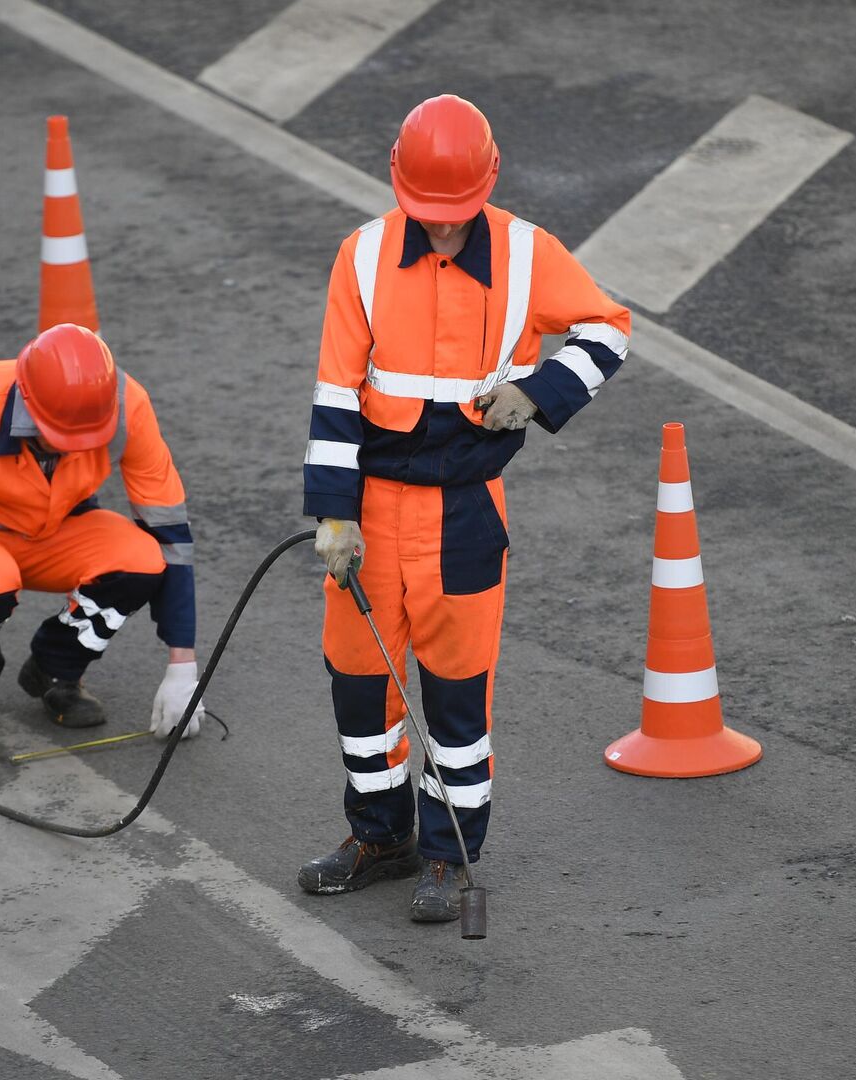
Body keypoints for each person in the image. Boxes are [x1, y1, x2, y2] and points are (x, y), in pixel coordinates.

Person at [300, 94, 632, 921]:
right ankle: (379, 837)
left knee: (456, 698)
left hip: (464, 514)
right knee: (358, 685)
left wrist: (541, 391)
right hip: (372, 510)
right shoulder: (364, 255)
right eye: (428, 217)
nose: (443, 231)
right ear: (398, 188)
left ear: (487, 188)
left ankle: (449, 855)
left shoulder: (526, 253)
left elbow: (610, 328)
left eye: (456, 218)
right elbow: (337, 393)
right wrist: (333, 514)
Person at [0, 323, 204, 742]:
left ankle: (55, 670)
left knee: (144, 560)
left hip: (60, 531)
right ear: (27, 404)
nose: (74, 449)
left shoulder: (128, 404)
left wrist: (183, 667)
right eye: (61, 438)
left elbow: (171, 536)